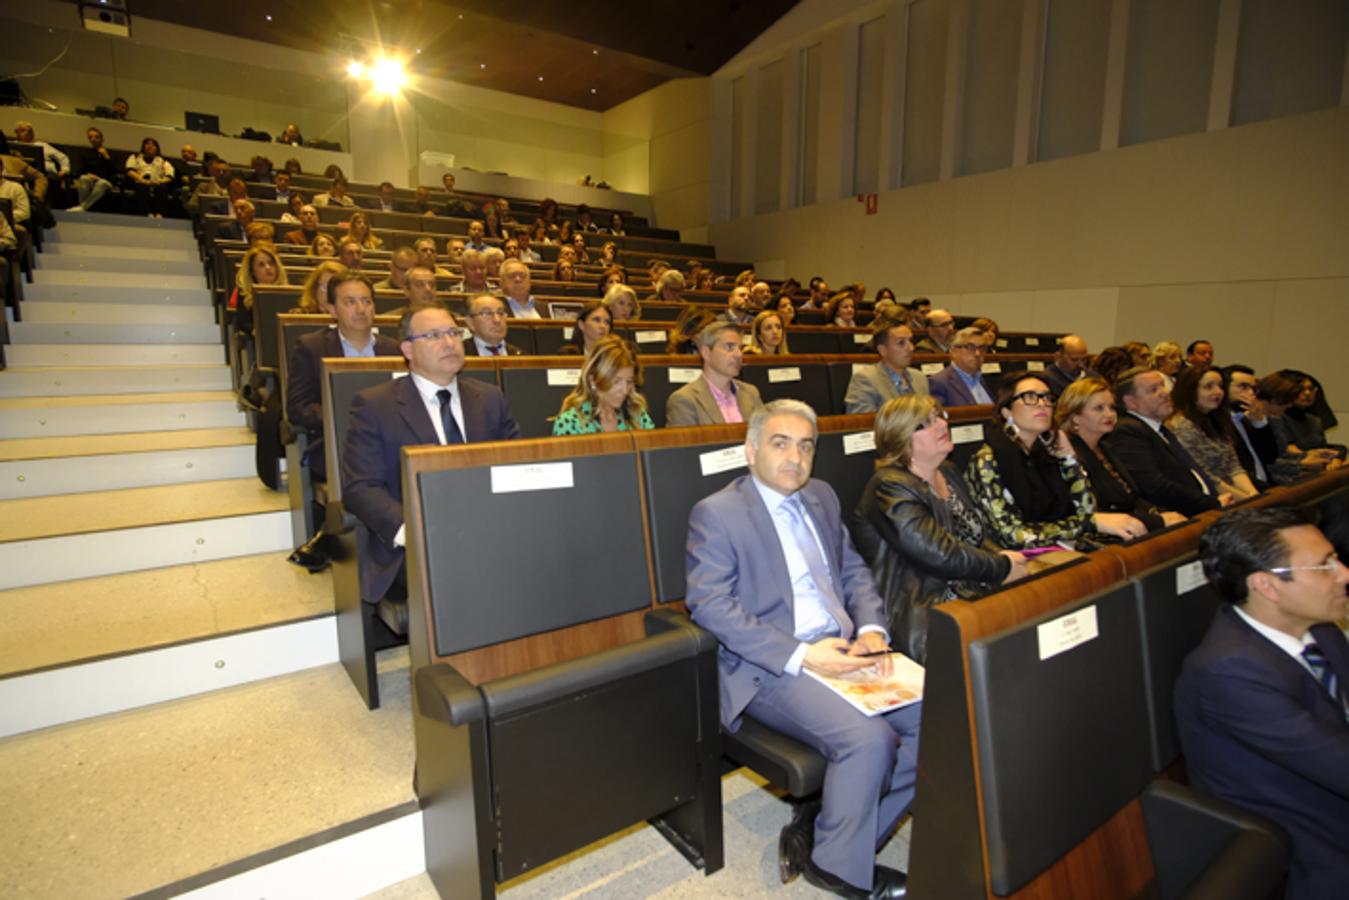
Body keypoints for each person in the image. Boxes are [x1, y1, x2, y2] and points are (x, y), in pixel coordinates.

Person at [685, 399, 919, 899]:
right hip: (770, 665)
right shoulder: (718, 513)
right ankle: (839, 869)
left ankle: (834, 837)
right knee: (870, 740)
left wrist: (873, 627)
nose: (795, 457)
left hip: (845, 647)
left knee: (939, 717)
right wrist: (804, 654)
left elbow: (853, 569)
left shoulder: (822, 496)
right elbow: (709, 604)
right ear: (750, 451)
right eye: (780, 443)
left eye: (806, 445)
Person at [1173, 507, 1349, 900]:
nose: (1345, 574)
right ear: (1267, 586)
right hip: (1310, 850)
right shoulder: (1230, 671)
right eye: (1325, 567)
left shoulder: (1318, 629)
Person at [341, 305, 521, 627]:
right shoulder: (375, 405)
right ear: (408, 349)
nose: (450, 342)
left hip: (489, 531)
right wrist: (417, 532)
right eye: (434, 336)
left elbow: (516, 464)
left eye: (454, 333)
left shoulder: (490, 398)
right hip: (416, 544)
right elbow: (361, 487)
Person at [852, 395, 1027, 662]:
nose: (942, 424)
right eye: (926, 423)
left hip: (972, 589)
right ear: (900, 438)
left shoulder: (947, 471)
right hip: (924, 611)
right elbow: (938, 553)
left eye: (940, 416)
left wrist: (1011, 560)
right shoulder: (889, 485)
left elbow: (978, 534)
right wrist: (1001, 567)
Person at [285, 271, 400, 571]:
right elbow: (297, 408)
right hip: (336, 443)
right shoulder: (311, 346)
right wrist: (342, 416)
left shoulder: (394, 349)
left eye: (366, 301)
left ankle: (332, 534)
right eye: (350, 302)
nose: (361, 309)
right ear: (332, 308)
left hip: (387, 441)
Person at [967, 372, 1131, 550]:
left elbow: (1087, 509)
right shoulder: (988, 459)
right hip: (1017, 558)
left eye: (1046, 398)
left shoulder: (1048, 450)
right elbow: (1011, 535)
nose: (1042, 404)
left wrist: (1069, 459)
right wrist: (1085, 524)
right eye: (1030, 397)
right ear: (1007, 411)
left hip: (1063, 546)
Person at [1056, 378, 1186, 534]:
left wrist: (1158, 513)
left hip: (1133, 526)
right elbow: (1099, 511)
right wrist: (1157, 521)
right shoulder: (1068, 455)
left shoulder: (1106, 447)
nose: (1109, 414)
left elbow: (1131, 496)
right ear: (1075, 417)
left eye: (1111, 407)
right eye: (1099, 408)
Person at [1104, 367, 1226, 516]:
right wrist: (1212, 504)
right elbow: (1154, 486)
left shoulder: (1159, 429)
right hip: (1182, 517)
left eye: (1163, 385)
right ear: (1131, 402)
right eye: (1153, 390)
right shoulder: (1128, 431)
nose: (1165, 393)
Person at [1167, 365, 1260, 501]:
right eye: (1209, 387)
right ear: (1190, 391)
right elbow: (1204, 475)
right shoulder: (1181, 425)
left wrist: (1253, 495)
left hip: (1234, 496)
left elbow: (1233, 466)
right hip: (1209, 498)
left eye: (1221, 386)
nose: (1219, 392)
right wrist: (1246, 500)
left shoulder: (1216, 420)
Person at [666, 322, 765, 426]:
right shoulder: (684, 400)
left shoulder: (751, 392)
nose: (738, 354)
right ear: (706, 353)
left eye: (740, 348)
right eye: (729, 347)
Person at [552, 337, 654, 435]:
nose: (625, 390)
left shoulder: (636, 414)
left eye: (629, 381)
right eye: (616, 381)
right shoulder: (570, 423)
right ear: (593, 381)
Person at [844, 321, 930, 414]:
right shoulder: (865, 379)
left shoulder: (920, 377)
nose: (911, 348)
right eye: (901, 343)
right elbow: (862, 422)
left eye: (911, 341)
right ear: (883, 350)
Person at [1222, 364, 1280, 489]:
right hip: (1245, 488)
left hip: (1266, 484)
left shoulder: (1247, 417)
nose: (1250, 393)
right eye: (1243, 387)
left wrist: (1259, 422)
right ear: (1224, 388)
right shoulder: (1216, 422)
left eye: (1253, 389)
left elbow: (1270, 457)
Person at [928, 327, 994, 407]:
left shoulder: (988, 379)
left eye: (982, 348)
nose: (978, 353)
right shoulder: (939, 383)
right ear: (953, 351)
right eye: (970, 347)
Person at [124, 137, 174, 218]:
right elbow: (130, 171)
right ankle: (147, 213)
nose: (150, 146)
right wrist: (143, 181)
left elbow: (170, 176)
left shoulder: (163, 160)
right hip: (140, 182)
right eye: (147, 144)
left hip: (157, 183)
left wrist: (159, 181)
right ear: (143, 146)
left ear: (157, 148)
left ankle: (159, 214)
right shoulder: (135, 157)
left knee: (162, 188)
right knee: (141, 187)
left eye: (153, 145)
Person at [1040, 335, 1096, 399]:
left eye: (1084, 359)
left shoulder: (1094, 378)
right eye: (1074, 360)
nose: (1081, 365)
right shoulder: (1047, 380)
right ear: (1058, 357)